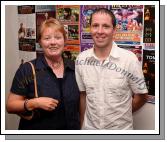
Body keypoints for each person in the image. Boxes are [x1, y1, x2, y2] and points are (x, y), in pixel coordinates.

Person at [75, 8, 148, 130]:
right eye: (95, 25)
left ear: (114, 30)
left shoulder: (129, 59)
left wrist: (120, 115)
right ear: (90, 28)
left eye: (106, 26)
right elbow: (83, 95)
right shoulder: (81, 60)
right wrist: (83, 126)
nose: (100, 31)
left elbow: (141, 96)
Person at [6, 18, 80, 130]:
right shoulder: (27, 69)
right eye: (47, 38)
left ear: (65, 41)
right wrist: (34, 103)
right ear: (40, 42)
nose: (53, 42)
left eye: (58, 37)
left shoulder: (75, 68)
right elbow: (10, 106)